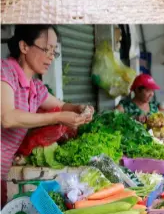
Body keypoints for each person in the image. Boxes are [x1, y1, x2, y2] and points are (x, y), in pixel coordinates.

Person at [1, 26, 94, 204]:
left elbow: (61, 105)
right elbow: (8, 118)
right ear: (24, 47)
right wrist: (58, 117)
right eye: (46, 49)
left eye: (54, 51)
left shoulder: (36, 88)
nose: (51, 56)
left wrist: (80, 108)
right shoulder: (4, 71)